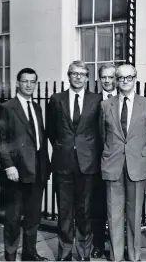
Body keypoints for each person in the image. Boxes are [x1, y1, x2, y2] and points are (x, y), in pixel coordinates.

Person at [99, 64, 146, 261]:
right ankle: (116, 256)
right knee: (114, 214)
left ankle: (133, 256)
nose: (125, 81)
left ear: (135, 79)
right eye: (121, 78)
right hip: (112, 164)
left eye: (129, 77)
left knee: (134, 214)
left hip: (137, 165)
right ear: (116, 79)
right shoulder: (106, 105)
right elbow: (102, 136)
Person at [47, 60, 102, 261]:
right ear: (68, 76)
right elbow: (51, 131)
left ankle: (84, 253)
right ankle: (65, 253)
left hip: (87, 164)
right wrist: (66, 147)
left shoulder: (96, 100)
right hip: (63, 163)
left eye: (82, 74)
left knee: (85, 211)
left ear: (87, 77)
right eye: (74, 73)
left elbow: (99, 131)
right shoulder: (56, 99)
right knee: (64, 211)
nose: (78, 77)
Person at [0, 68, 50, 261]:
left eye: (32, 81)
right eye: (25, 81)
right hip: (16, 171)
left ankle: (29, 253)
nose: (29, 85)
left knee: (33, 216)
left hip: (37, 169)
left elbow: (39, 139)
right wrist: (8, 166)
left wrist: (45, 166)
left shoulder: (36, 107)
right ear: (17, 83)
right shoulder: (7, 107)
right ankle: (10, 256)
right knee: (13, 218)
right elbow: (1, 141)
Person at [90, 64, 118, 259]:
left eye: (111, 77)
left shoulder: (124, 99)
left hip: (119, 162)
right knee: (98, 206)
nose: (107, 81)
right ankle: (98, 244)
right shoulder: (93, 101)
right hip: (97, 163)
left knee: (119, 207)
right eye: (103, 77)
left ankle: (119, 244)